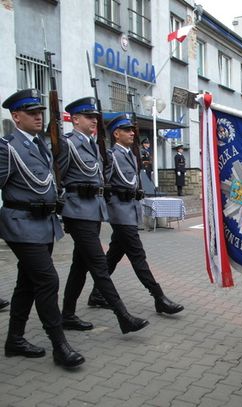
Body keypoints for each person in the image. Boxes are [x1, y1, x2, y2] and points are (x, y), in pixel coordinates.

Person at [0, 89, 84, 367]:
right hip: (20, 224)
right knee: (47, 280)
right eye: (32, 113)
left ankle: (15, 339)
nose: (38, 117)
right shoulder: (7, 147)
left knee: (28, 282)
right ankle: (59, 344)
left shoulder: (40, 145)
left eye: (40, 113)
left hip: (43, 224)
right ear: (16, 117)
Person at [58, 97, 149, 334]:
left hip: (92, 212)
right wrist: (60, 210)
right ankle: (123, 316)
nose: (94, 121)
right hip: (77, 212)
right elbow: (58, 178)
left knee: (80, 265)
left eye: (95, 117)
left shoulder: (92, 145)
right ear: (75, 119)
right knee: (99, 264)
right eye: (89, 117)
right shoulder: (67, 144)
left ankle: (67, 314)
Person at [86, 114, 184, 315]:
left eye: (132, 129)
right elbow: (103, 183)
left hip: (130, 210)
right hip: (119, 212)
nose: (132, 133)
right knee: (137, 255)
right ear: (116, 134)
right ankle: (158, 297)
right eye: (127, 130)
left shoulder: (131, 154)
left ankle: (97, 293)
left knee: (114, 254)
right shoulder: (111, 155)